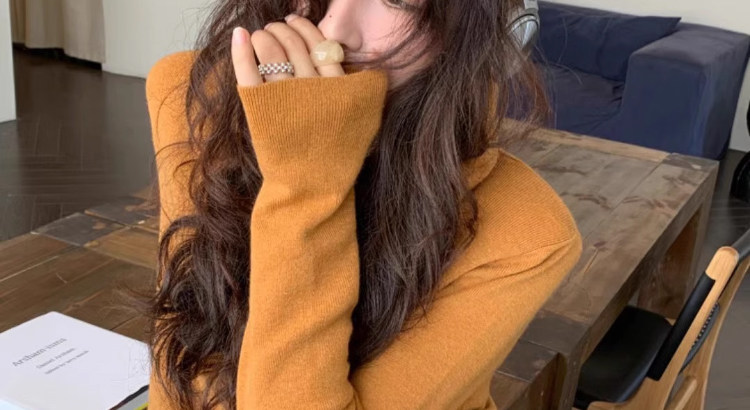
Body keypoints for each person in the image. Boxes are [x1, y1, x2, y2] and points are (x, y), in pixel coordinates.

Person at [137, 0, 583, 408]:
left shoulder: (528, 232)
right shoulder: (193, 97)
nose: (334, 30)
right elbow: (178, 355)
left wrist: (307, 184)